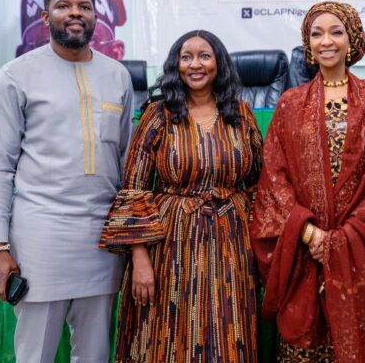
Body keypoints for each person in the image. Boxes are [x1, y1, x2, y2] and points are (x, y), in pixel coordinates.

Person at [0, 0, 134, 361]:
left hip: (102, 239)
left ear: (97, 17)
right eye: (65, 6)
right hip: (41, 236)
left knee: (96, 353)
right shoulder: (15, 76)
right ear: (46, 15)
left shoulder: (118, 77)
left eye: (85, 6)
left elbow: (129, 163)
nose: (75, 13)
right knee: (36, 354)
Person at [251, 1, 365, 362]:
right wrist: (309, 234)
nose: (326, 41)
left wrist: (342, 240)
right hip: (303, 253)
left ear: (352, 40)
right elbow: (274, 178)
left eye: (336, 32)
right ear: (307, 45)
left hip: (360, 253)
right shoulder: (289, 104)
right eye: (316, 34)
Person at [100, 30, 263, 362]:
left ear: (220, 63)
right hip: (170, 247)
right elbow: (134, 188)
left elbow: (261, 184)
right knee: (169, 334)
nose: (195, 64)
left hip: (231, 246)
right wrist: (140, 259)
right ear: (176, 64)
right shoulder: (159, 114)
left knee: (228, 332)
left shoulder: (241, 114)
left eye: (205, 55)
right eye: (186, 57)